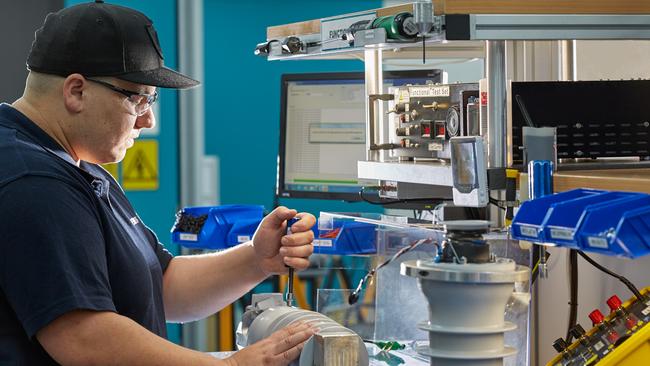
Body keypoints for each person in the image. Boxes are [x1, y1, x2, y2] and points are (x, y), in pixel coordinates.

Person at [0, 1, 317, 365]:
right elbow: (83, 338)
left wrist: (257, 259)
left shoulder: (77, 167)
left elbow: (161, 286)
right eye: (138, 99)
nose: (147, 120)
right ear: (76, 91)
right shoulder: (33, 181)